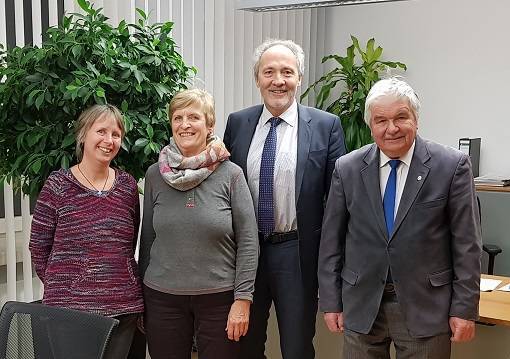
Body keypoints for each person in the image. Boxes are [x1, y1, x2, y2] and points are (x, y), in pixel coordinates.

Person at [318, 77, 482, 359]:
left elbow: (467, 245)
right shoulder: (347, 169)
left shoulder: (451, 166)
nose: (391, 128)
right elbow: (331, 241)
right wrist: (331, 301)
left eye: (401, 117)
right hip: (362, 306)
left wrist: (464, 309)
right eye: (381, 120)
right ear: (371, 126)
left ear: (416, 119)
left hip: (425, 308)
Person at [223, 39, 346, 359]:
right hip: (246, 253)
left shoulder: (325, 125)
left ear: (300, 78)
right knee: (243, 346)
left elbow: (337, 201)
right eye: (269, 72)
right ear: (257, 78)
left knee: (296, 347)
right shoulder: (238, 122)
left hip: (297, 252)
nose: (278, 80)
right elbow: (223, 186)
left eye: (287, 72)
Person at [139, 88, 259, 359]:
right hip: (162, 298)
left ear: (209, 124)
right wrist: (143, 298)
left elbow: (249, 242)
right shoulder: (155, 175)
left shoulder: (232, 175)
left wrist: (243, 299)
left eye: (193, 117)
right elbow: (148, 239)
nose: (184, 125)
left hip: (220, 300)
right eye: (177, 117)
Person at [29, 104, 144, 359]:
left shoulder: (127, 186)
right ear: (83, 135)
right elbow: (38, 246)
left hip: (122, 308)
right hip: (70, 312)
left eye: (115, 134)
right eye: (100, 131)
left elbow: (129, 242)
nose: (108, 140)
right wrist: (68, 284)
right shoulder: (57, 185)